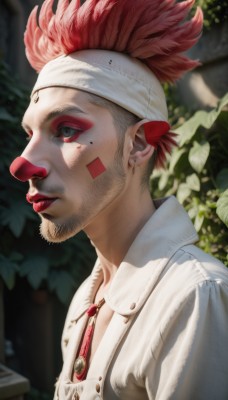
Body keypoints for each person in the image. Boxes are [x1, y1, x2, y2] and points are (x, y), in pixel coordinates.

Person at [9, 0, 228, 399]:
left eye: (66, 129)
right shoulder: (84, 300)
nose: (24, 165)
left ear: (139, 143)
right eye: (30, 135)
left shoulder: (195, 297)